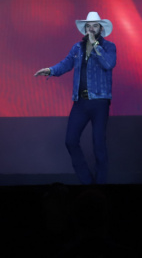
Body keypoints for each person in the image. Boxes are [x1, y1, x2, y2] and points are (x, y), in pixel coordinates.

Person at [35, 11, 117, 184]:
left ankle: (101, 184)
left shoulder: (109, 46)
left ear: (100, 28)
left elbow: (109, 64)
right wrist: (50, 70)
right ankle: (87, 182)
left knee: (98, 145)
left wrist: (95, 46)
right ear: (85, 28)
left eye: (95, 26)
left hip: (100, 101)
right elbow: (66, 64)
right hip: (80, 102)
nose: (91, 29)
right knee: (70, 141)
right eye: (89, 26)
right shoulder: (77, 48)